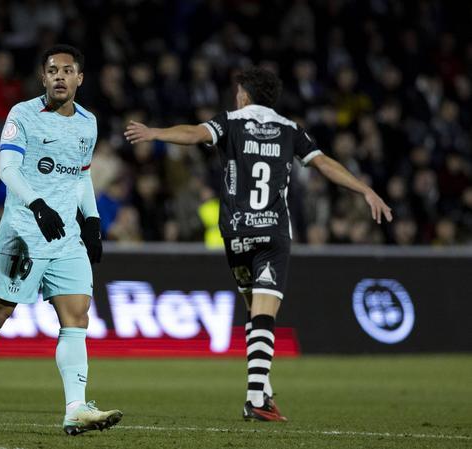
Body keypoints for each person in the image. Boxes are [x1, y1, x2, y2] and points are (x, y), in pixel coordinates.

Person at [125, 67, 392, 422]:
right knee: (265, 313)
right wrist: (365, 189)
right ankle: (256, 399)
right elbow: (323, 164)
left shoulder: (232, 121)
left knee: (254, 311)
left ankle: (262, 389)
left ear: (244, 96)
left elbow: (194, 133)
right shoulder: (289, 129)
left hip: (236, 234)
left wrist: (155, 133)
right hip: (272, 235)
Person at [0, 44, 122, 436]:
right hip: (24, 232)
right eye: (52, 70)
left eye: (67, 70)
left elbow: (80, 176)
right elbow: (8, 169)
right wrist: (38, 205)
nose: (59, 76)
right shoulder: (22, 115)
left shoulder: (88, 123)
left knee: (76, 317)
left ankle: (75, 407)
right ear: (43, 78)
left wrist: (91, 220)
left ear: (79, 78)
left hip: (65, 237)